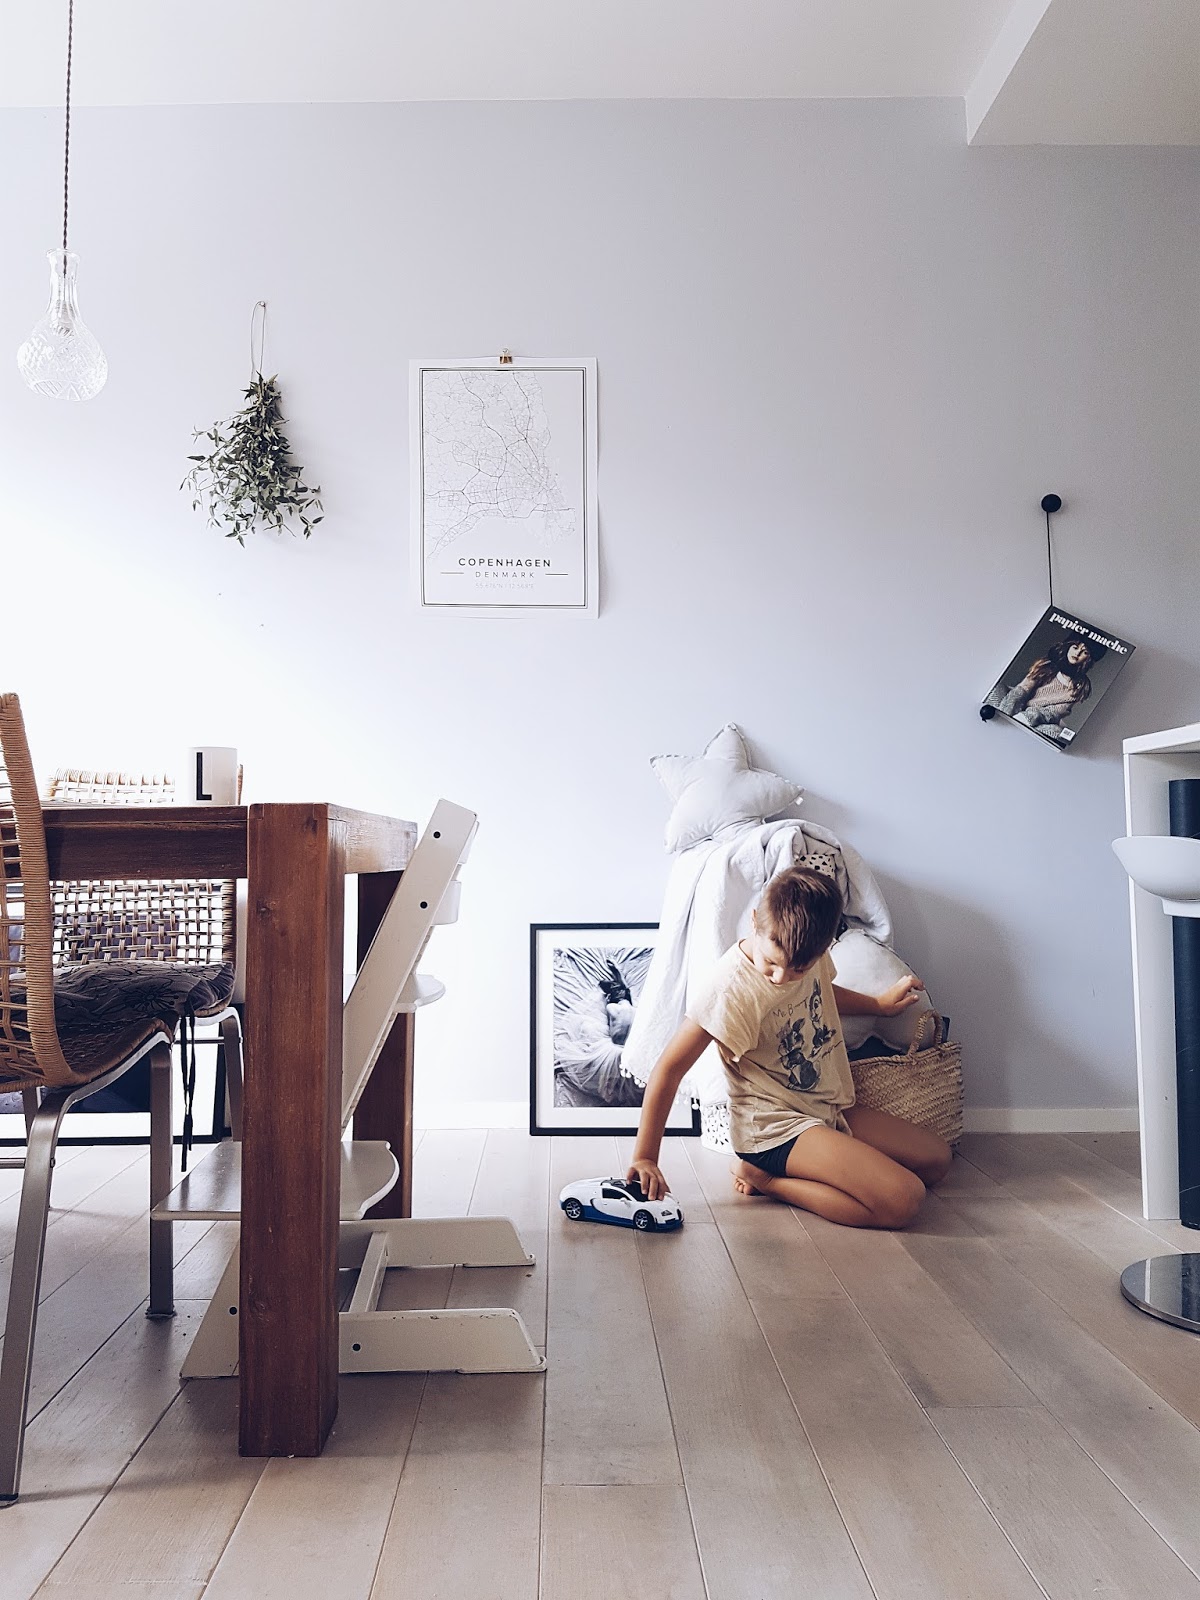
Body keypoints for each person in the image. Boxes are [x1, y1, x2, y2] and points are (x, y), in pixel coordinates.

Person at [626, 867, 952, 1228]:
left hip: (827, 1107)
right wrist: (645, 1157)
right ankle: (767, 1179)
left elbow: (821, 992)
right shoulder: (729, 990)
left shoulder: (806, 946)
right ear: (755, 922)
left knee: (937, 1161)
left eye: (798, 969)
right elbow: (669, 1069)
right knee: (903, 1200)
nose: (781, 977)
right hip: (772, 1130)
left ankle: (812, 1167)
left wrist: (877, 1006)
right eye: (772, 962)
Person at [993, 637, 1106, 734]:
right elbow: (1023, 689)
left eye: (1084, 652)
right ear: (1068, 647)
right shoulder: (1047, 666)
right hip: (1019, 704)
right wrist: (1006, 713)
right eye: (1075, 648)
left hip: (1040, 718)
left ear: (1089, 659)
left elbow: (1054, 712)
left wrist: (1027, 717)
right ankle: (1000, 718)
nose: (1077, 653)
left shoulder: (1079, 685)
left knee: (1056, 732)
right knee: (997, 689)